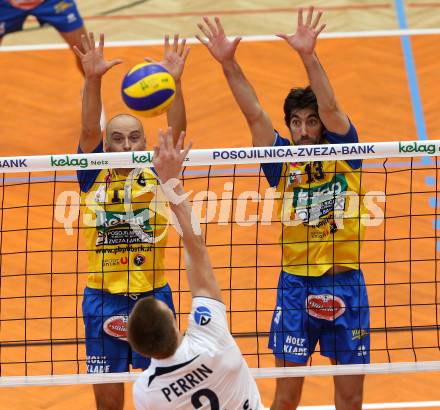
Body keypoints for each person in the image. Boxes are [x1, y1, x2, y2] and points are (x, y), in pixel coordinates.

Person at [197, 8, 369, 410]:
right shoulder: (281, 162)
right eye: (297, 122)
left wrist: (309, 56)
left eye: (312, 121)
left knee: (350, 398)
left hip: (346, 285)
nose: (306, 129)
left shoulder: (347, 152)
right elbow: (254, 113)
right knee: (286, 397)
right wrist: (228, 63)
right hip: (295, 289)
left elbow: (331, 107)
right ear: (289, 126)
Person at [73, 32, 189, 410]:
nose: (126, 146)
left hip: (152, 298)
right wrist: (93, 79)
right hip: (102, 300)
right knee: (108, 405)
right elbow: (89, 130)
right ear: (106, 147)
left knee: (162, 399)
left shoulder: (157, 172)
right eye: (118, 139)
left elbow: (178, 132)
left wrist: (174, 83)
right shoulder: (93, 174)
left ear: (145, 143)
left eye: (134, 138)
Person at [127, 127, 264, 410]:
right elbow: (196, 249)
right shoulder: (210, 336)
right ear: (175, 324)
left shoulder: (146, 392)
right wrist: (170, 183)